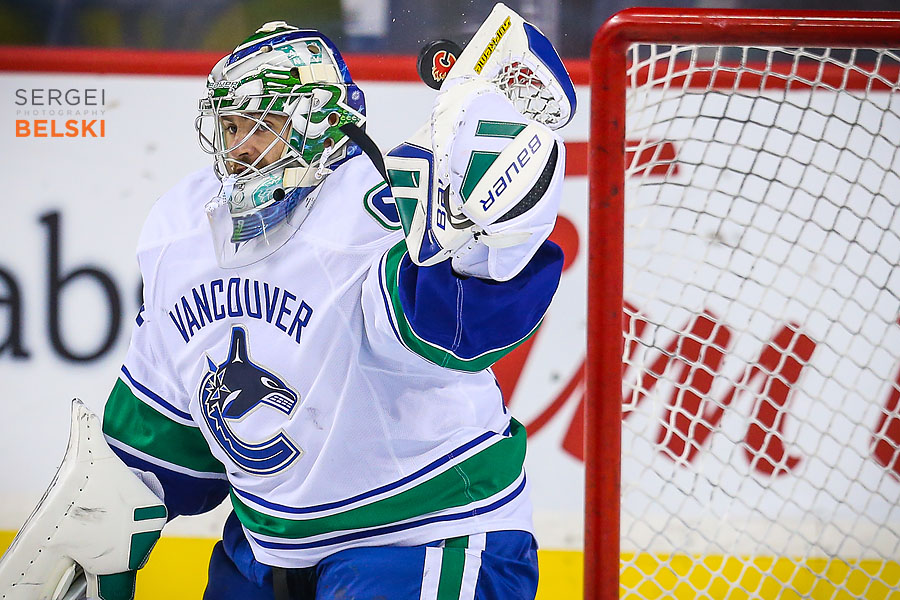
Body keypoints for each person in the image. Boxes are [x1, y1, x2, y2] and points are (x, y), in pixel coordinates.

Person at [98, 5, 575, 599]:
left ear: (317, 128)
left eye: (262, 127)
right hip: (268, 547)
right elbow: (163, 441)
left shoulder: (375, 210)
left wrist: (486, 244)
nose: (241, 148)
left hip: (424, 530)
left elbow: (457, 329)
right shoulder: (181, 232)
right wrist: (97, 533)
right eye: (232, 127)